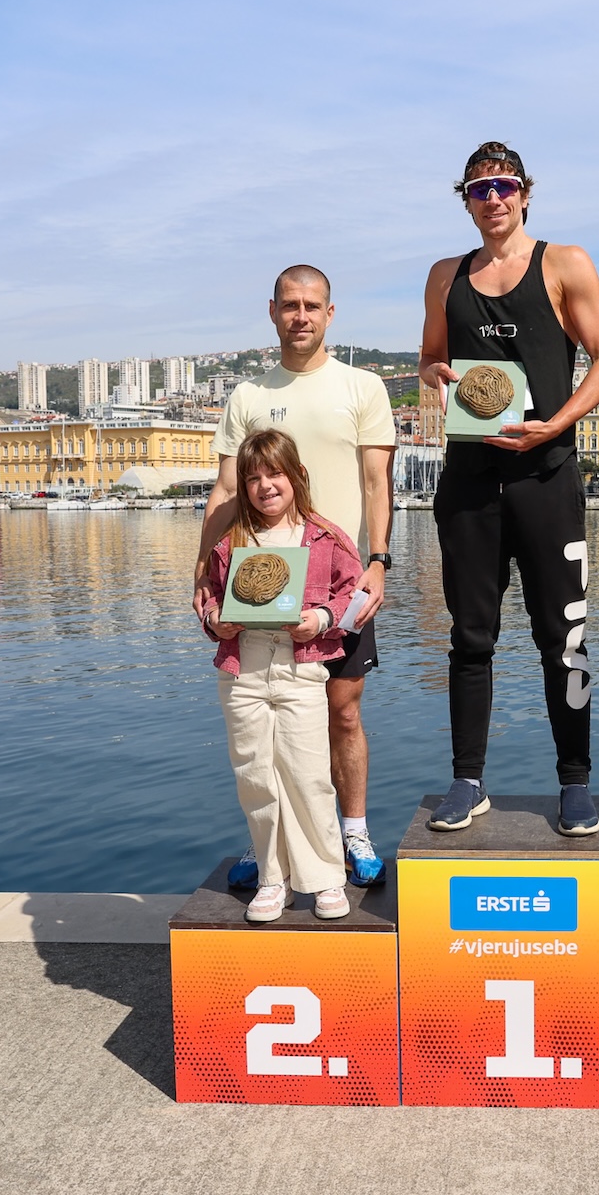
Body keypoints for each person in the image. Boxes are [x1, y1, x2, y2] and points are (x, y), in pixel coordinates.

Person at [417, 141, 599, 834]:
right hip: (471, 481)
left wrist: (553, 425)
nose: (494, 198)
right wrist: (440, 377)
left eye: (504, 185)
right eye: (479, 189)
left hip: (546, 474)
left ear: (526, 193)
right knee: (470, 637)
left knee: (564, 636)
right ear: (466, 201)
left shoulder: (564, 263)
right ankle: (467, 778)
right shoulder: (445, 275)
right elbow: (429, 360)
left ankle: (575, 779)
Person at [195, 265, 396, 887]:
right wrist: (202, 572)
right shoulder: (248, 396)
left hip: (338, 579)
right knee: (268, 719)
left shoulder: (362, 387)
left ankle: (352, 831)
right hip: (261, 577)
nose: (300, 315)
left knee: (341, 712)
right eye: (290, 305)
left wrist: (380, 560)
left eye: (312, 305)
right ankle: (270, 840)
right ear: (273, 312)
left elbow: (374, 481)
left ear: (330, 314)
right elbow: (229, 487)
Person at [199, 429, 364, 921]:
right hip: (243, 671)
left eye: (274, 473)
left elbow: (354, 596)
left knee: (309, 775)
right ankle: (275, 878)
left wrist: (322, 620)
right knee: (256, 779)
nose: (264, 486)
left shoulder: (326, 536)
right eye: (252, 478)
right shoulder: (231, 541)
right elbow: (208, 594)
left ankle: (326, 878)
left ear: (297, 476)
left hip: (301, 670)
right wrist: (213, 620)